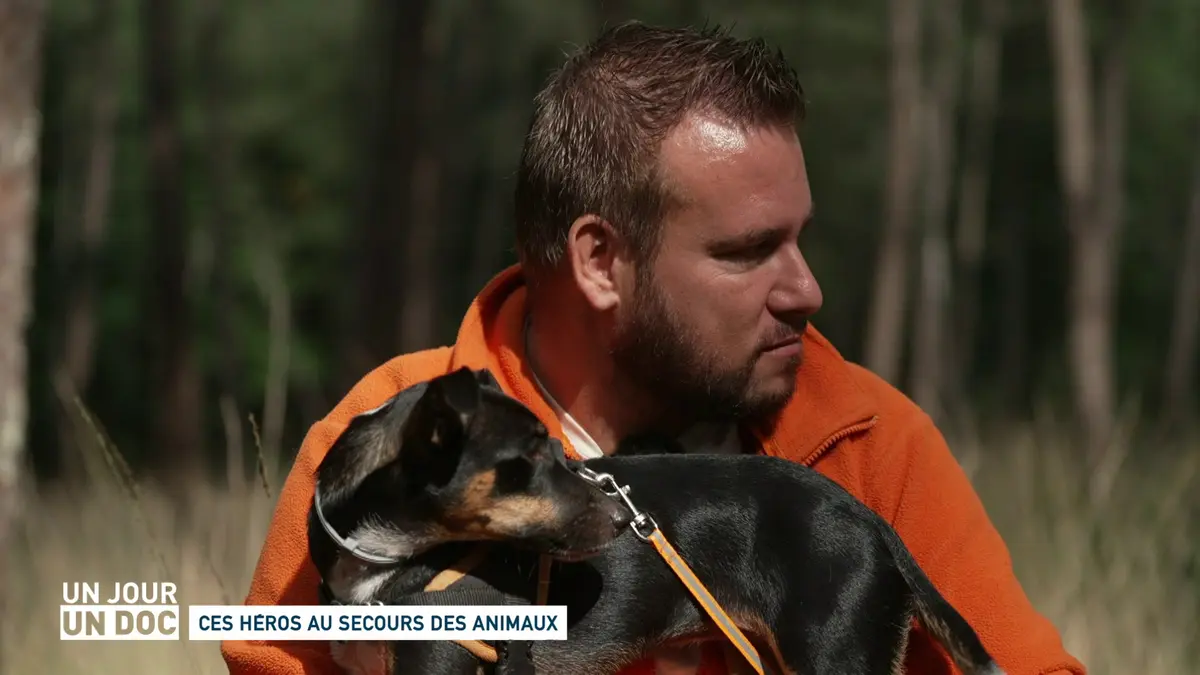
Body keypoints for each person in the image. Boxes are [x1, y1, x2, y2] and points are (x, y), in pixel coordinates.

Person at [222, 21, 1086, 675]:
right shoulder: (386, 459)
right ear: (602, 260)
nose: (807, 289)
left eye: (800, 239)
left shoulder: (866, 443)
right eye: (749, 250)